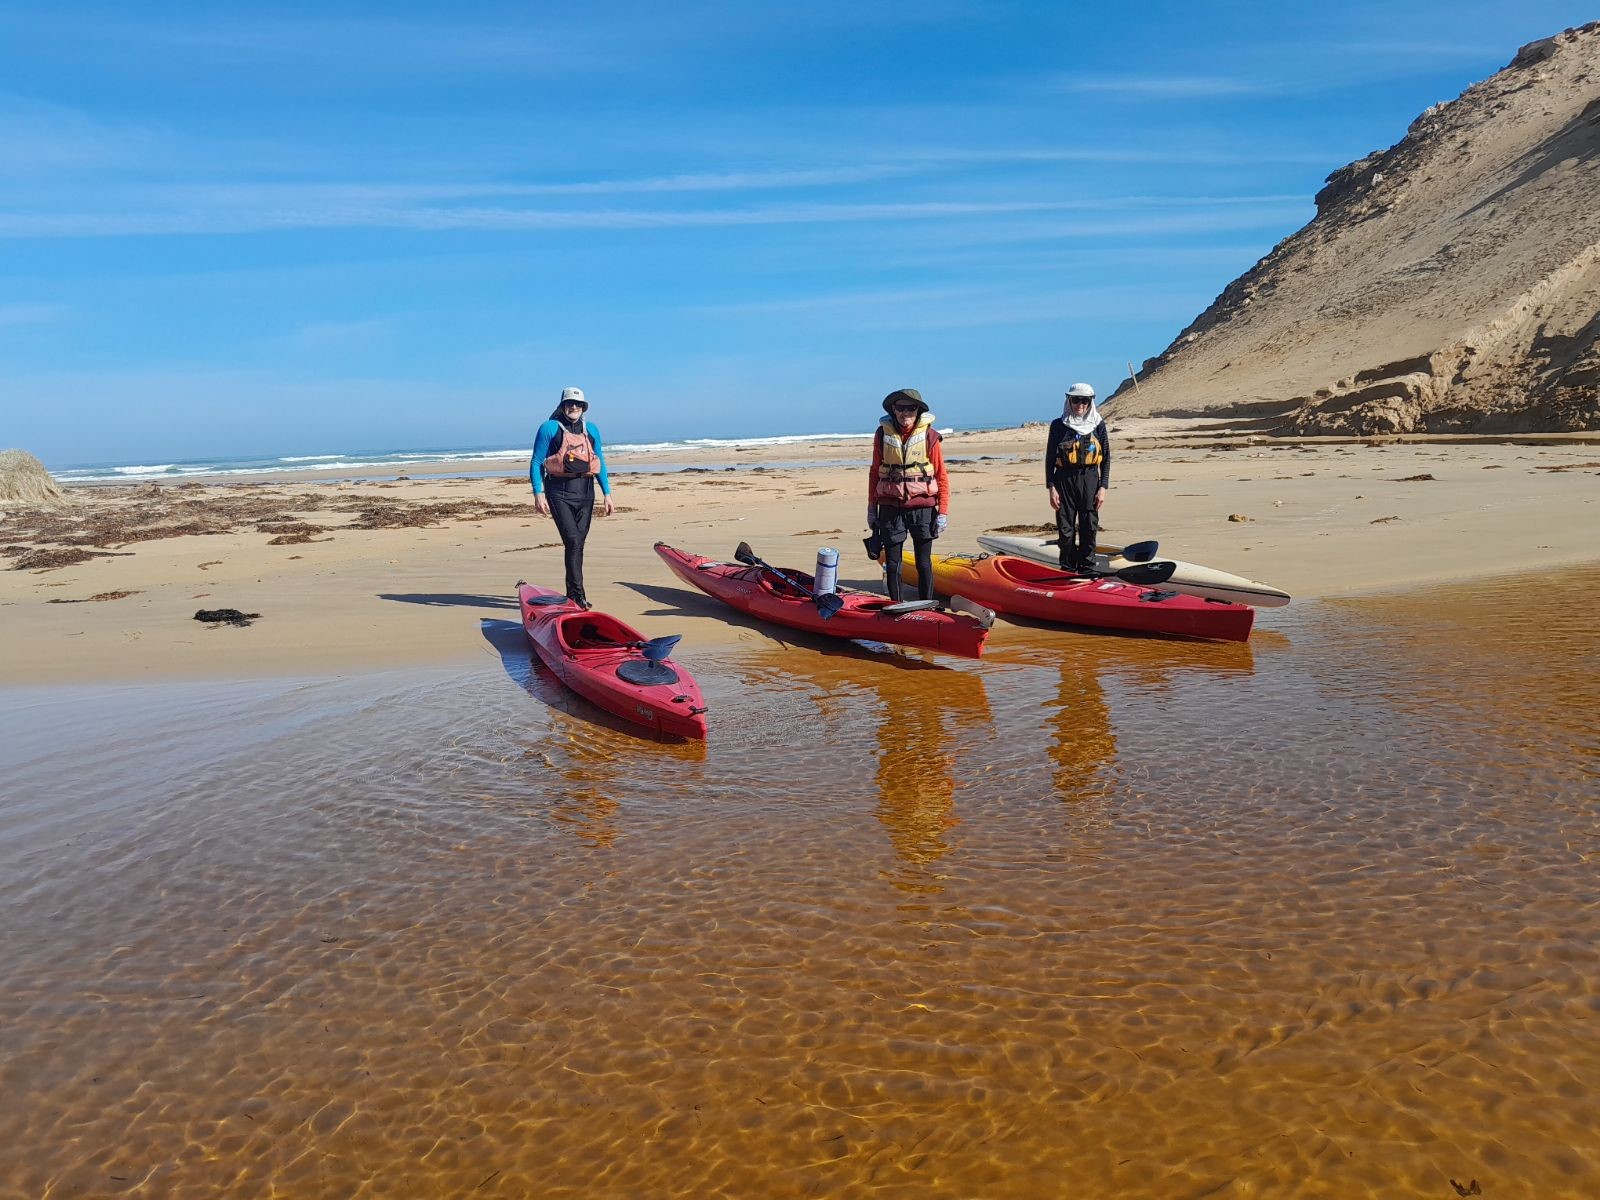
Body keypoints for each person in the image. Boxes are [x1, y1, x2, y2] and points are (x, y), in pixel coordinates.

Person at [530, 387, 614, 609]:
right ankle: (578, 596)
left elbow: (600, 462)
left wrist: (607, 494)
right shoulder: (548, 428)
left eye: (578, 404)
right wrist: (538, 493)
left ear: (583, 407)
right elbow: (537, 461)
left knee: (578, 544)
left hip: (586, 492)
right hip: (559, 493)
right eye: (569, 404)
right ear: (562, 405)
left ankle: (573, 593)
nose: (573, 407)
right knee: (573, 541)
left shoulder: (591, 429)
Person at [867, 388, 948, 603]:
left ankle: (927, 606)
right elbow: (875, 472)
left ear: (918, 410)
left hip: (923, 509)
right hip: (890, 508)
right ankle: (897, 606)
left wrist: (943, 513)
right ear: (893, 409)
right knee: (893, 564)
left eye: (910, 408)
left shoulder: (930, 436)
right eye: (900, 408)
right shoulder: (882, 434)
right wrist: (871, 508)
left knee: (923, 563)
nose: (905, 413)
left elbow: (941, 476)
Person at [1044, 382, 1111, 574]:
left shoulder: (1098, 425)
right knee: (1066, 530)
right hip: (1064, 480)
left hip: (1090, 479)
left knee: (1089, 526)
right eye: (1076, 400)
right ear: (1069, 400)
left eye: (1085, 400)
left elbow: (1105, 458)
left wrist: (1103, 487)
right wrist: (1051, 487)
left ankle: (1087, 567)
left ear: (1091, 402)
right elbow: (1050, 458)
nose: (1080, 404)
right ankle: (1067, 567)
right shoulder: (1058, 425)